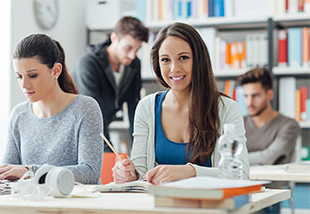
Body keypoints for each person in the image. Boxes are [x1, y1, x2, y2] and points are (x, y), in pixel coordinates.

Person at [112, 22, 249, 184]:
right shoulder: (147, 107)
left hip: (209, 207)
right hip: (160, 206)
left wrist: (190, 171)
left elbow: (241, 175)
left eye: (183, 58)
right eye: (165, 60)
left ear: (198, 60)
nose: (174, 68)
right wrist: (129, 175)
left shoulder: (226, 108)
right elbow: (141, 172)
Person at [0, 34, 104, 184]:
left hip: (73, 205)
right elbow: (9, 173)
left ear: (56, 70)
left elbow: (89, 173)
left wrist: (31, 172)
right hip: (29, 204)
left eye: (32, 75)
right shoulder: (19, 114)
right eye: (19, 76)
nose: (24, 85)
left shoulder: (85, 108)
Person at [74, 16, 149, 152]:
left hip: (101, 126)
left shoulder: (134, 65)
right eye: (128, 48)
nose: (132, 55)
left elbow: (134, 108)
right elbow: (93, 116)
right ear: (114, 38)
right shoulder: (88, 63)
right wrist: (111, 154)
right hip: (77, 130)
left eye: (137, 50)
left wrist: (139, 152)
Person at [238, 68, 300, 214]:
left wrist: (237, 159)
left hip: (268, 195)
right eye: (246, 96)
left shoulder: (288, 125)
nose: (249, 102)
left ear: (269, 94)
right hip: (238, 191)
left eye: (255, 96)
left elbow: (268, 157)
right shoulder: (239, 122)